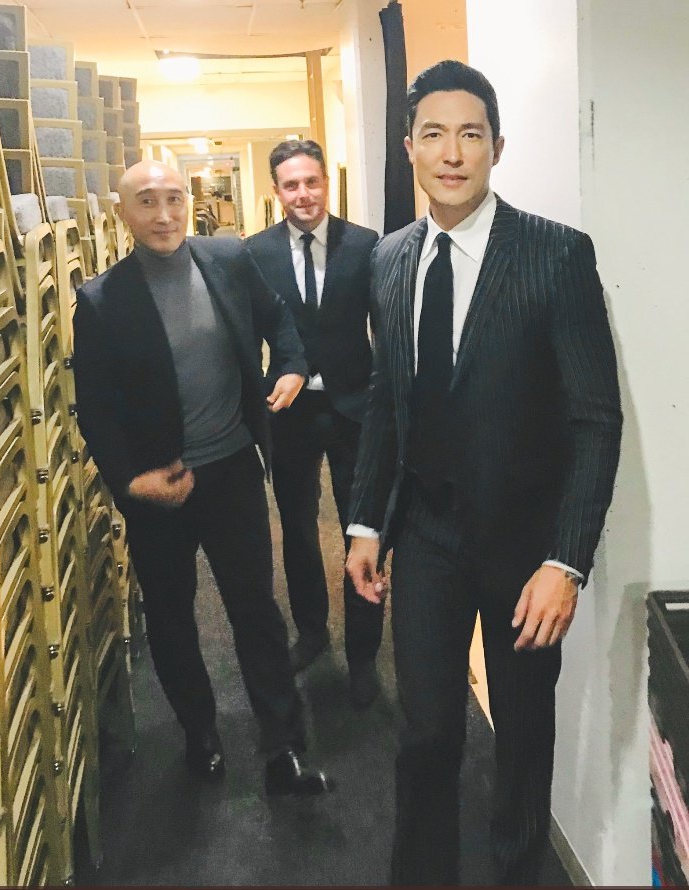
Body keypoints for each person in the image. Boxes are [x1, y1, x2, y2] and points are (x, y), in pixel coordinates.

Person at [345, 61, 622, 884]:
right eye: (434, 134)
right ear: (409, 147)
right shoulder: (389, 260)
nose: (452, 153)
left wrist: (566, 562)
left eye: (471, 134)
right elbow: (386, 399)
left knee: (523, 738)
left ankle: (517, 872)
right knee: (426, 734)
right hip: (426, 534)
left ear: (497, 147)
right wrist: (365, 520)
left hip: (525, 548)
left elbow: (595, 420)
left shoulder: (554, 255)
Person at [73, 160, 334, 797]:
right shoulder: (102, 300)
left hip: (233, 470)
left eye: (174, 198)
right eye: (147, 202)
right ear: (123, 213)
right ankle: (199, 729)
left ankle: (284, 748)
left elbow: (278, 319)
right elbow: (96, 409)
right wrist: (130, 482)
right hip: (158, 486)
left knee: (256, 610)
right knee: (171, 617)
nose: (164, 215)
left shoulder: (227, 260)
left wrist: (292, 365)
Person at [246, 140, 384, 707]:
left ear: (326, 182)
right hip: (290, 412)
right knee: (298, 529)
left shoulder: (367, 246)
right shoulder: (254, 253)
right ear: (276, 191)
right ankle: (311, 633)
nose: (303, 194)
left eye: (311, 182)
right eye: (291, 185)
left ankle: (364, 657)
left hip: (355, 410)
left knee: (363, 530)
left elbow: (386, 328)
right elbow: (247, 332)